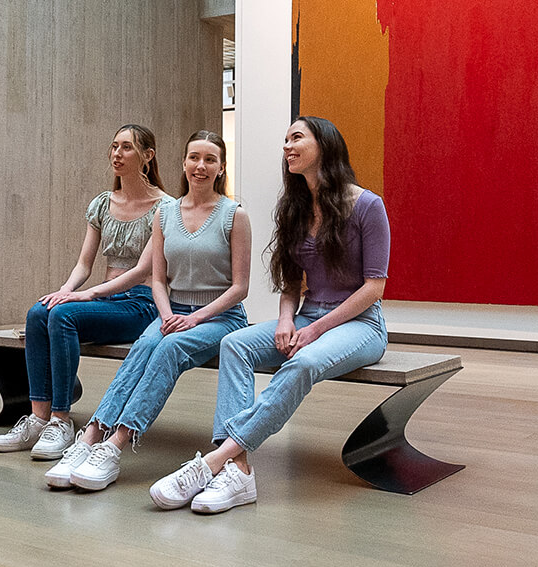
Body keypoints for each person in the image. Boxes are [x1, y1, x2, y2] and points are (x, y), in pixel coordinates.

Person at [149, 116, 389, 513]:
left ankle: (214, 460)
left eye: (297, 138)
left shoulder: (367, 205)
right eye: (285, 140)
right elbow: (291, 282)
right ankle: (239, 471)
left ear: (325, 146)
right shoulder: (294, 207)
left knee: (303, 362)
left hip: (360, 325)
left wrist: (315, 331)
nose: (287, 146)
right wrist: (285, 320)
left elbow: (373, 289)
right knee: (234, 344)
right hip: (306, 317)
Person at [45, 130, 251, 491]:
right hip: (173, 311)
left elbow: (239, 288)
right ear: (183, 163)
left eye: (209, 160)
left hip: (220, 317)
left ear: (221, 168)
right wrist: (168, 313)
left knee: (169, 348)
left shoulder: (234, 214)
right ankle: (89, 437)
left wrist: (194, 318)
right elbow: (157, 279)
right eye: (193, 158)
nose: (200, 166)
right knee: (144, 346)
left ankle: (114, 446)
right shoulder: (166, 213)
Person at [0, 125, 168, 459]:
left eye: (127, 148)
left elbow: (144, 271)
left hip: (141, 303)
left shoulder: (164, 207)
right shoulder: (102, 203)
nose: (117, 154)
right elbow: (84, 264)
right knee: (39, 311)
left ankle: (61, 420)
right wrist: (66, 289)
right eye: (114, 146)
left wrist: (87, 296)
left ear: (148, 155)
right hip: (106, 298)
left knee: (64, 315)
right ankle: (39, 419)